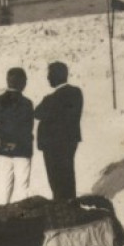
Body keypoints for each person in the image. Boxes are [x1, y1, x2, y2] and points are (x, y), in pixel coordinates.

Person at [0, 67, 35, 205]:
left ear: (8, 81)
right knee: (22, 190)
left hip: (3, 149)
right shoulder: (27, 103)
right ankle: (21, 220)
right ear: (23, 83)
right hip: (22, 150)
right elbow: (27, 129)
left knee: (3, 188)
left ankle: (1, 219)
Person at [34, 61, 84, 201]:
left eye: (49, 75)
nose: (48, 78)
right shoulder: (76, 93)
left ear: (55, 76)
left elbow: (37, 113)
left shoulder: (51, 99)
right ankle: (70, 204)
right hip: (70, 141)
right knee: (68, 174)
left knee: (56, 180)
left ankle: (61, 206)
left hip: (53, 144)